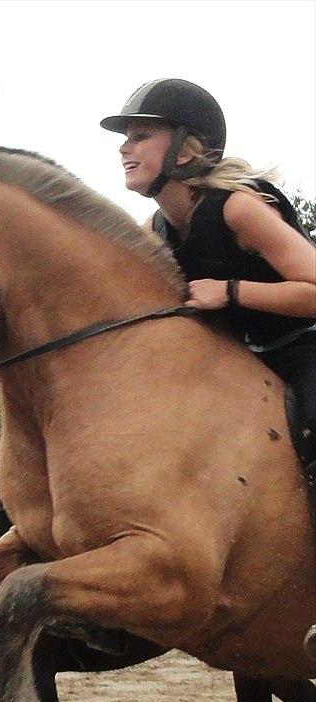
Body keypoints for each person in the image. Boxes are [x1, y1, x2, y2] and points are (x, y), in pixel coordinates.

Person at [100, 78, 316, 486]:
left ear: (184, 149)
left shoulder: (238, 209)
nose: (124, 148)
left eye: (141, 136)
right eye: (126, 139)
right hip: (242, 362)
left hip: (306, 350)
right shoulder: (154, 232)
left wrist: (230, 291)